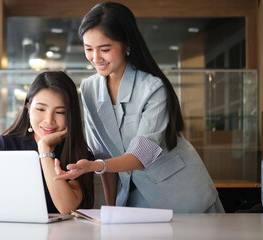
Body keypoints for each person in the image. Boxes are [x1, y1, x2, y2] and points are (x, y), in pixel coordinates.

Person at [54, 2, 224, 213]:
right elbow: (103, 156)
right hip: (135, 196)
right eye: (89, 49)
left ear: (127, 44)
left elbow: (141, 155)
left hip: (182, 192)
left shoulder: (152, 88)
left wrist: (95, 166)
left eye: (105, 49)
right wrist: (111, 210)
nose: (96, 58)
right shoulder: (89, 89)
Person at [0, 71, 94, 214]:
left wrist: (44, 149)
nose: (49, 120)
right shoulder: (5, 146)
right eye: (41, 109)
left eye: (60, 112)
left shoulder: (78, 154)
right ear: (29, 108)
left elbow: (67, 207)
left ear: (70, 116)